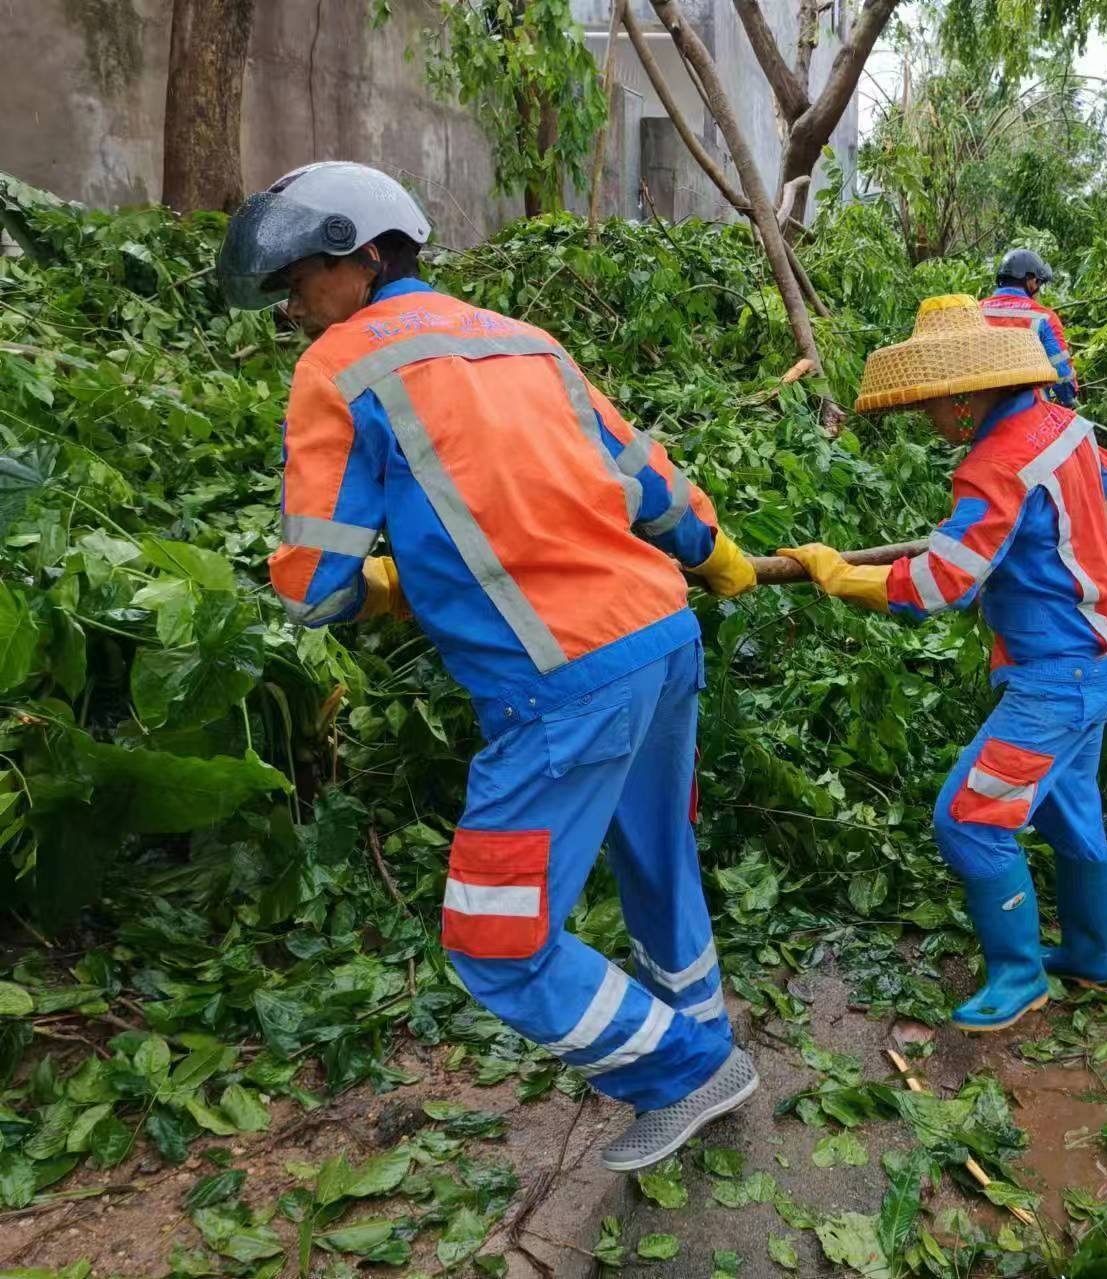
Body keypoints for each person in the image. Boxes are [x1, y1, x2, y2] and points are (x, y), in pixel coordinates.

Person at [219, 162, 762, 1171]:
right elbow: (645, 479)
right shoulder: (523, 340)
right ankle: (700, 1033)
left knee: (491, 935)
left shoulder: (338, 368)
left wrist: (377, 588)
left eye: (297, 280)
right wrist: (714, 550)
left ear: (365, 255)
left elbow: (311, 586)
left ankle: (687, 1071)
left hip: (565, 683)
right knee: (656, 857)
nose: (290, 307)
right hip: (661, 636)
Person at [779, 295, 1107, 1033]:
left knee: (968, 817)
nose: (930, 422)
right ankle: (1090, 956)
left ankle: (1019, 974)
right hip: (1103, 656)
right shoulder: (1067, 428)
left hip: (1056, 674)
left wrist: (841, 576)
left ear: (967, 397)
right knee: (1072, 807)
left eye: (934, 407)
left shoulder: (995, 463)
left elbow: (943, 584)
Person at [982, 249, 1078, 406]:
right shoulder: (1044, 318)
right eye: (1040, 283)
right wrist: (1069, 399)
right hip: (1027, 412)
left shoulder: (973, 311)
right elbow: (1062, 375)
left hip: (977, 412)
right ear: (1031, 281)